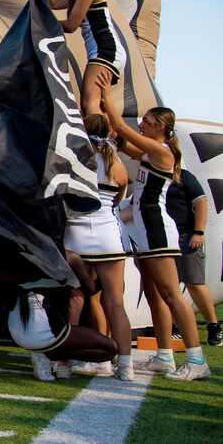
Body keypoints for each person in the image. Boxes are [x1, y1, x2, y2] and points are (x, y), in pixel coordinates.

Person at [102, 89, 211, 380]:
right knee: (153, 294)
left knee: (172, 295)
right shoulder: (151, 151)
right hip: (144, 230)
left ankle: (197, 360)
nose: (142, 123)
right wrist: (109, 132)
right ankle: (164, 356)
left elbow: (123, 128)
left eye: (147, 121)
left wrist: (105, 95)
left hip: (157, 231)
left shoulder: (162, 151)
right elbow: (124, 141)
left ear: (160, 127)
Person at [63, 113, 134, 380]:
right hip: (108, 234)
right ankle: (125, 366)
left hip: (76, 234)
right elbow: (118, 198)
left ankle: (65, 361)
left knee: (75, 299)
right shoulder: (117, 165)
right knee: (116, 302)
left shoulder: (75, 160)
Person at [39, 0, 126, 116]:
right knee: (96, 105)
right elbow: (54, 3)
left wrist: (41, 22)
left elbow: (71, 25)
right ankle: (109, 136)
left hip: (105, 51)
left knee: (89, 103)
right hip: (104, 52)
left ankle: (99, 139)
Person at [165, 168, 220, 346]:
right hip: (164, 238)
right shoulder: (152, 177)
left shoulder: (183, 176)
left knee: (195, 283)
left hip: (185, 235)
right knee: (169, 286)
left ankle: (213, 327)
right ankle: (176, 328)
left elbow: (201, 203)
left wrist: (198, 232)